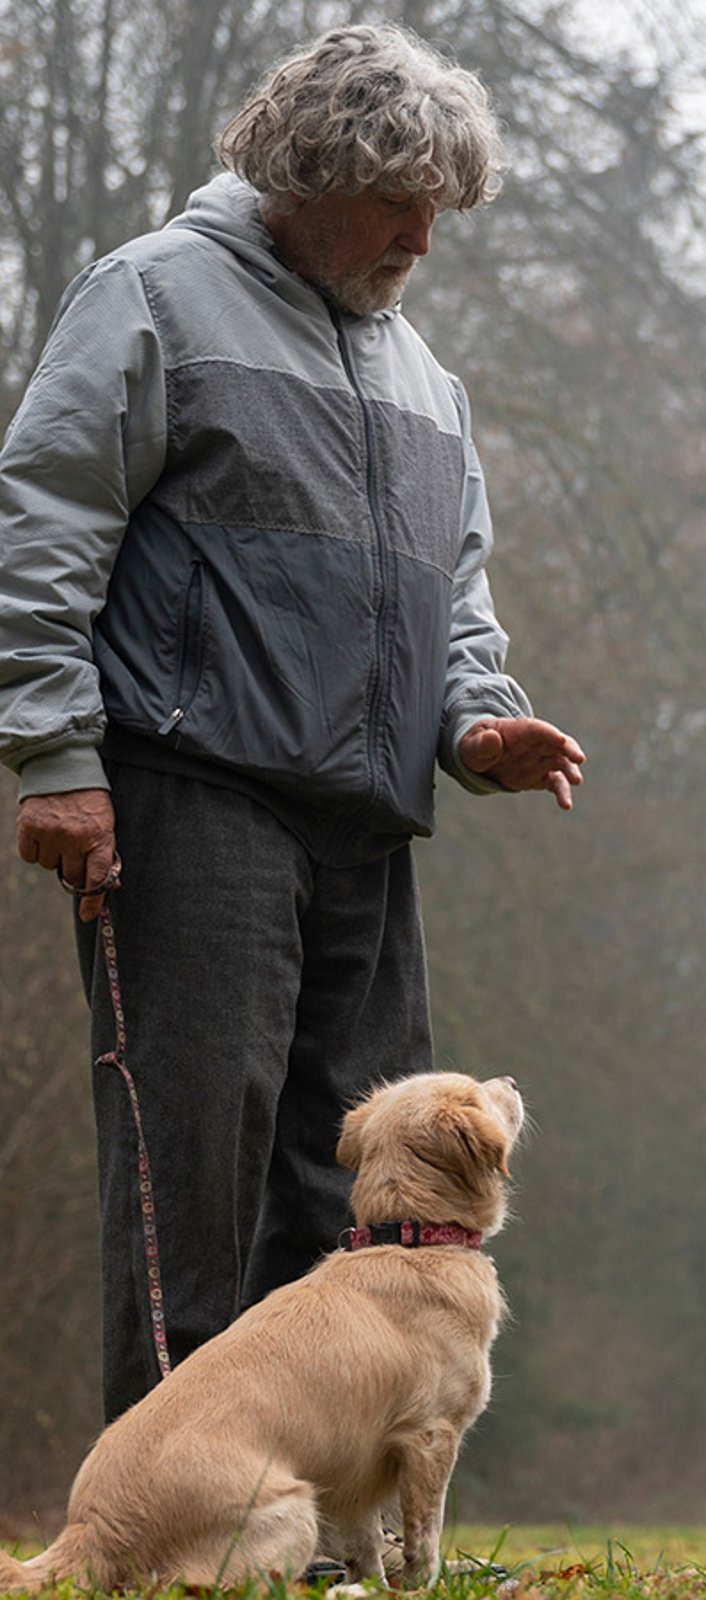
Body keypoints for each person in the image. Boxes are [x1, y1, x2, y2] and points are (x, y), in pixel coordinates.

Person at [0, 24, 585, 1423]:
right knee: (192, 1168)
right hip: (188, 804)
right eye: (404, 204)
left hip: (368, 832)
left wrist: (481, 720)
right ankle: (160, 1531)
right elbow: (43, 530)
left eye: (439, 209)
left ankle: (314, 1532)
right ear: (314, 176)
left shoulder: (424, 378)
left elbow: (455, 592)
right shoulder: (148, 297)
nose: (423, 240)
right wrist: (55, 759)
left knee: (366, 1203)